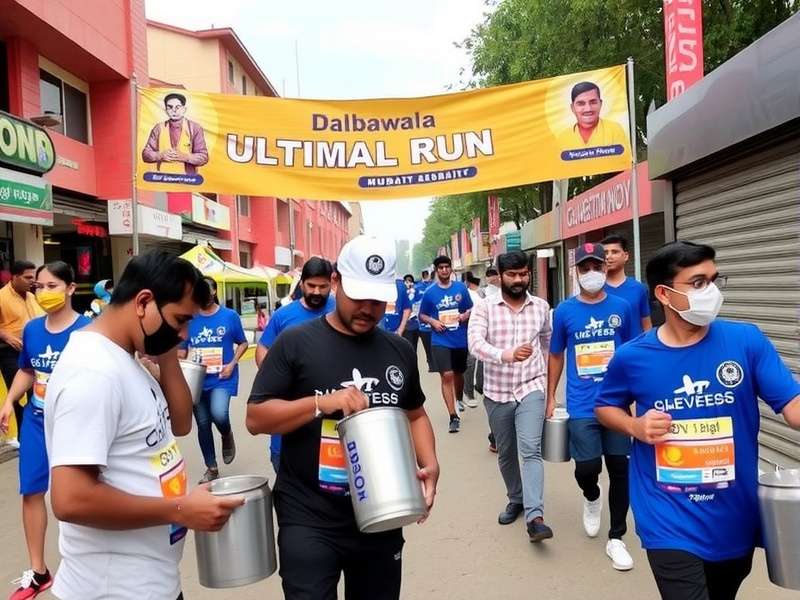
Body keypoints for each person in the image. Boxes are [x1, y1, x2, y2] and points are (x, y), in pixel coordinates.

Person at [595, 241, 800, 599]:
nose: (712, 292)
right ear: (664, 293)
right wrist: (635, 427)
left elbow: (793, 407)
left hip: (733, 514)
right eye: (699, 282)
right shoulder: (632, 357)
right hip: (667, 514)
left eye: (715, 281)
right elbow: (606, 406)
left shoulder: (746, 341)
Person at [246, 235, 439, 600]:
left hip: (381, 514)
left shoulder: (398, 350)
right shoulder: (296, 342)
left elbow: (414, 414)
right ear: (336, 282)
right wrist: (321, 403)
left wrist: (430, 464)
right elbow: (256, 418)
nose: (368, 308)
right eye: (359, 296)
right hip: (308, 518)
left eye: (378, 299)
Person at [44, 250, 243, 600]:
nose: (183, 335)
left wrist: (164, 347)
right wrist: (181, 509)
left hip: (150, 581)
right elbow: (70, 499)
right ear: (143, 303)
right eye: (180, 320)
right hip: (112, 589)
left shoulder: (125, 358)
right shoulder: (93, 373)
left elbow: (180, 423)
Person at [0, 262, 90, 600]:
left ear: (70, 288)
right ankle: (38, 571)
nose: (44, 293)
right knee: (31, 492)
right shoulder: (33, 330)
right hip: (37, 422)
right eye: (39, 287)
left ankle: (85, 568)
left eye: (53, 286)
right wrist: (9, 401)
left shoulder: (89, 331)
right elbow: (28, 369)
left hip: (77, 425)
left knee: (78, 495)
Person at [547, 242, 635, 571]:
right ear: (576, 272)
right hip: (582, 405)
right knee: (587, 469)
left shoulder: (622, 308)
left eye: (596, 266)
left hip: (617, 404)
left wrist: (638, 397)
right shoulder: (565, 312)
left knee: (620, 469)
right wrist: (550, 396)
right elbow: (556, 354)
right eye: (584, 268)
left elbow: (632, 354)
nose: (591, 273)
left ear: (605, 268)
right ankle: (591, 496)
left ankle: (616, 538)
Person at [468, 251, 553, 543]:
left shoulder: (541, 306)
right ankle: (515, 498)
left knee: (530, 449)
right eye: (512, 275)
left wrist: (546, 382)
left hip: (531, 387)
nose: (519, 280)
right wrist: (505, 355)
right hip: (497, 392)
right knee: (506, 453)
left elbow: (547, 341)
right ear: (500, 275)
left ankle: (535, 517)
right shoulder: (485, 308)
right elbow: (475, 344)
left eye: (524, 274)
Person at [256, 257, 335, 473]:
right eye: (311, 286)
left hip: (332, 422)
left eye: (323, 286)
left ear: (332, 284)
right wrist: (275, 377)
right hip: (288, 419)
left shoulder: (341, 311)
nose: (317, 292)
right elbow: (262, 348)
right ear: (301, 284)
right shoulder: (283, 316)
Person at [178, 277, 248, 483]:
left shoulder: (229, 316)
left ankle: (226, 434)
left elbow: (243, 343)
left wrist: (232, 363)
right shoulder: (189, 319)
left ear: (214, 292)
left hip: (222, 377)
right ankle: (211, 467)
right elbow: (181, 351)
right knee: (202, 424)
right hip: (197, 381)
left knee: (219, 414)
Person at [419, 255, 473, 433]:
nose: (444, 270)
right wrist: (433, 322)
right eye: (440, 267)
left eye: (446, 267)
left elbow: (471, 308)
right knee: (447, 375)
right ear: (436, 270)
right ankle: (453, 416)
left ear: (451, 269)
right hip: (440, 339)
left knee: (458, 374)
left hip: (459, 339)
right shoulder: (430, 293)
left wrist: (465, 315)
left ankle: (458, 398)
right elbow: (422, 315)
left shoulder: (460, 289)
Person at [0, 260, 43, 446]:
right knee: (17, 394)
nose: (31, 281)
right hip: (9, 352)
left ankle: (33, 432)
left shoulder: (32, 297)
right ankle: (22, 438)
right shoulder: (1, 297)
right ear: (14, 277)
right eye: (27, 277)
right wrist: (6, 336)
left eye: (33, 278)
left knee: (37, 392)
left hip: (32, 350)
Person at [141, 92, 209, 175]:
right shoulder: (158, 128)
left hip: (188, 180)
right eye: (170, 107)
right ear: (166, 110)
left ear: (184, 109)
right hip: (163, 179)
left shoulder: (194, 128)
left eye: (178, 107)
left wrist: (186, 157)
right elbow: (145, 154)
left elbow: (204, 157)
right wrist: (160, 155)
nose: (174, 110)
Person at [602, 234, 652, 335]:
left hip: (635, 349)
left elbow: (647, 326)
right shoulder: (596, 290)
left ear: (626, 256)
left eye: (614, 252)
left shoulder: (639, 289)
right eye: (605, 253)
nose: (608, 256)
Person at [557, 81, 628, 150]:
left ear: (600, 104)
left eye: (593, 102)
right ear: (572, 108)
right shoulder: (563, 138)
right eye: (581, 104)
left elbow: (623, 160)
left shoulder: (614, 130)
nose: (588, 109)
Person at [463, 274, 484, 408]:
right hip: (468, 331)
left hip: (482, 331)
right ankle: (468, 392)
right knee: (470, 362)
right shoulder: (465, 294)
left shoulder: (481, 294)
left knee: (482, 360)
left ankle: (479, 385)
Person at [416, 270, 435, 372]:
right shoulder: (417, 288)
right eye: (425, 275)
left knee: (436, 346)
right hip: (423, 325)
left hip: (436, 323)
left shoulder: (436, 287)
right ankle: (431, 364)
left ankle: (437, 364)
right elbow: (413, 304)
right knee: (427, 346)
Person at [401, 274, 422, 354]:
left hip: (415, 325)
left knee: (414, 347)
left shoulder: (416, 292)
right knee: (407, 348)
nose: (408, 283)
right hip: (406, 326)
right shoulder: (402, 294)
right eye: (406, 281)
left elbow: (419, 304)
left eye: (410, 281)